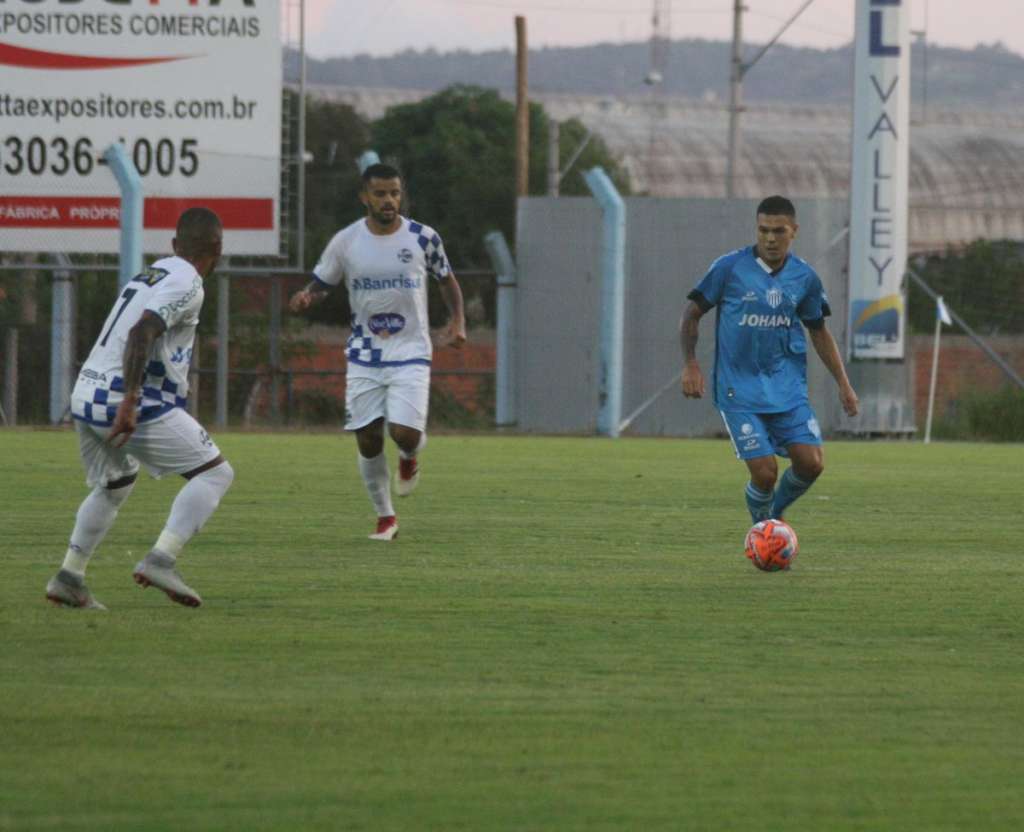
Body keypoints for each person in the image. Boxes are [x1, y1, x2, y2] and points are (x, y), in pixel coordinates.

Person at [45, 207, 234, 610]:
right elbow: (142, 330)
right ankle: (160, 559)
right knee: (215, 474)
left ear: (174, 245)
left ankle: (69, 576)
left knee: (114, 484)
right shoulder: (189, 282)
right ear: (217, 248)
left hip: (86, 392)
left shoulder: (154, 272)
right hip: (122, 398)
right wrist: (130, 400)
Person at [289, 163, 466, 541]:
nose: (389, 201)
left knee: (403, 432)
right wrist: (308, 296)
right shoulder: (346, 241)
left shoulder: (422, 237)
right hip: (365, 353)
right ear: (364, 196)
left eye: (395, 193)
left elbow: (446, 280)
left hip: (412, 349)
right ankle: (386, 518)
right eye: (381, 193)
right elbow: (323, 283)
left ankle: (409, 455)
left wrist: (458, 322)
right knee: (367, 437)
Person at [680, 195, 859, 525]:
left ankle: (773, 518)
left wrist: (844, 384)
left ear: (794, 231)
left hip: (787, 389)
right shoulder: (729, 268)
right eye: (763, 230)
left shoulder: (804, 278)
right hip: (738, 389)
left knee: (812, 463)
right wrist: (691, 364)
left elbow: (819, 330)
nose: (770, 238)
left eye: (779, 231)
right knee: (765, 473)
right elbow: (691, 315)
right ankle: (763, 532)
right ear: (756, 229)